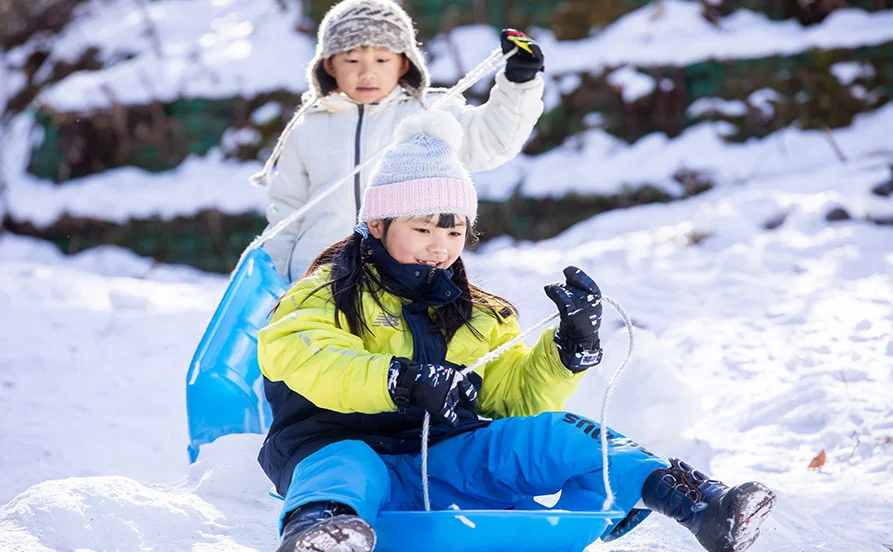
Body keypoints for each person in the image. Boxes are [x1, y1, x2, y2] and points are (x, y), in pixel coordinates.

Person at [257, 111, 776, 552]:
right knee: (348, 466)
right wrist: (400, 379)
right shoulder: (326, 292)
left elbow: (510, 397)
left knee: (561, 436)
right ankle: (321, 534)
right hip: (333, 446)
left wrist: (568, 351)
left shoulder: (477, 313)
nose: (440, 246)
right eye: (422, 229)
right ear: (377, 225)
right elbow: (300, 356)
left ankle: (700, 506)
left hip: (441, 456)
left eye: (453, 231)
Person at [252, 0, 547, 282]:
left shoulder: (429, 115)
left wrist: (519, 82)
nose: (367, 72)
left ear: (404, 64)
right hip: (318, 279)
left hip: (404, 279)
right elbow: (286, 211)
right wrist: (275, 278)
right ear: (329, 66)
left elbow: (492, 140)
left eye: (382, 59)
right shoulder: (307, 128)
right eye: (352, 59)